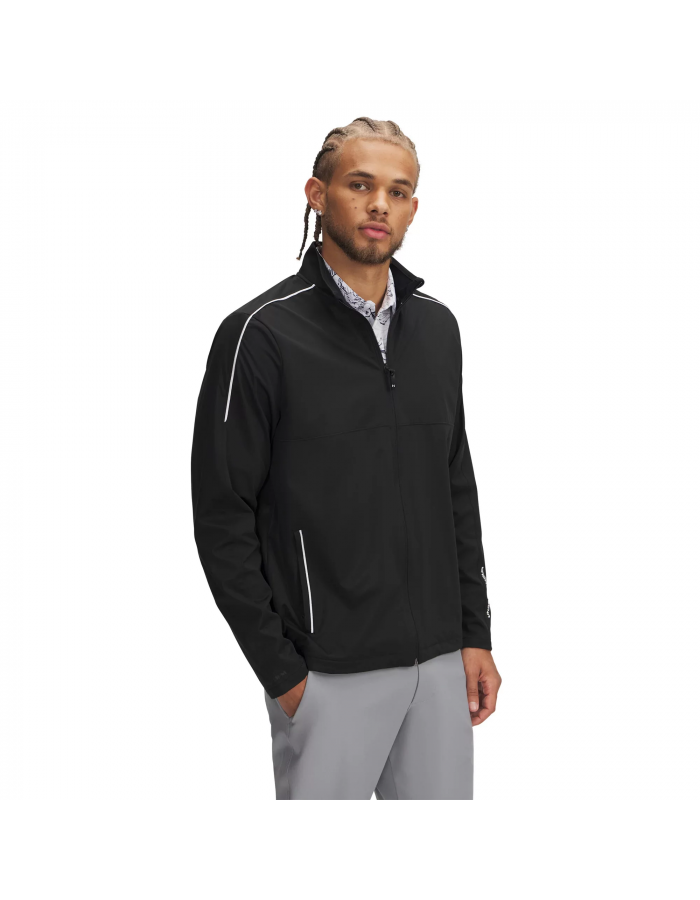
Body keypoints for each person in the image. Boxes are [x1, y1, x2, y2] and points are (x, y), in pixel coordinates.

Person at [191, 117, 502, 800]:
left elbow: (455, 485)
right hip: (326, 673)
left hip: (440, 668)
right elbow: (222, 515)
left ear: (413, 208)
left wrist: (473, 635)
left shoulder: (437, 328)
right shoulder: (261, 335)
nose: (379, 204)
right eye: (360, 185)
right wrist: (284, 674)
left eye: (398, 191)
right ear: (317, 194)